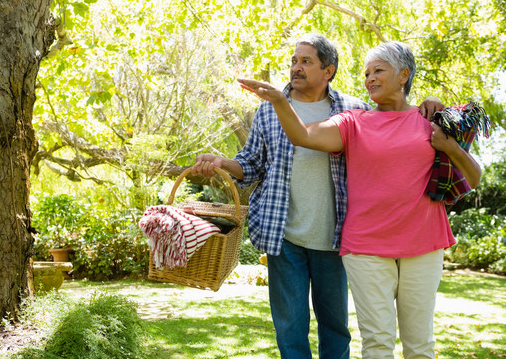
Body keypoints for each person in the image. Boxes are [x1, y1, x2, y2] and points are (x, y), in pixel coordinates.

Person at [192, 34, 443, 359]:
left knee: (335, 329)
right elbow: (251, 165)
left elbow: (397, 125)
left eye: (306, 61)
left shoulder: (355, 109)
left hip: (336, 237)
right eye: (294, 61)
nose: (296, 68)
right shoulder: (268, 113)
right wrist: (223, 163)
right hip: (283, 235)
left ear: (329, 70)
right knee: (290, 328)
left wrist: (431, 101)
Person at [237, 41, 481, 359]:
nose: (370, 79)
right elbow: (303, 135)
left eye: (378, 70)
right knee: (377, 342)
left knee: (420, 344)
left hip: (423, 243)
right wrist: (281, 101)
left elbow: (473, 178)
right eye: (366, 73)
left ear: (404, 74)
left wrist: (449, 146)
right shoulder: (354, 121)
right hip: (366, 247)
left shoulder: (432, 120)